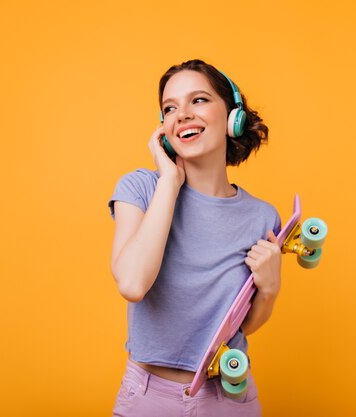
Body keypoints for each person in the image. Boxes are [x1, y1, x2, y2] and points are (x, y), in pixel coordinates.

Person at [108, 59, 282, 417]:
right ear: (163, 128)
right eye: (170, 108)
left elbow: (242, 325)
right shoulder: (140, 188)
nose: (182, 114)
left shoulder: (263, 216)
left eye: (198, 100)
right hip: (147, 399)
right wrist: (169, 182)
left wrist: (270, 290)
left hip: (230, 399)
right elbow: (132, 283)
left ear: (233, 116)